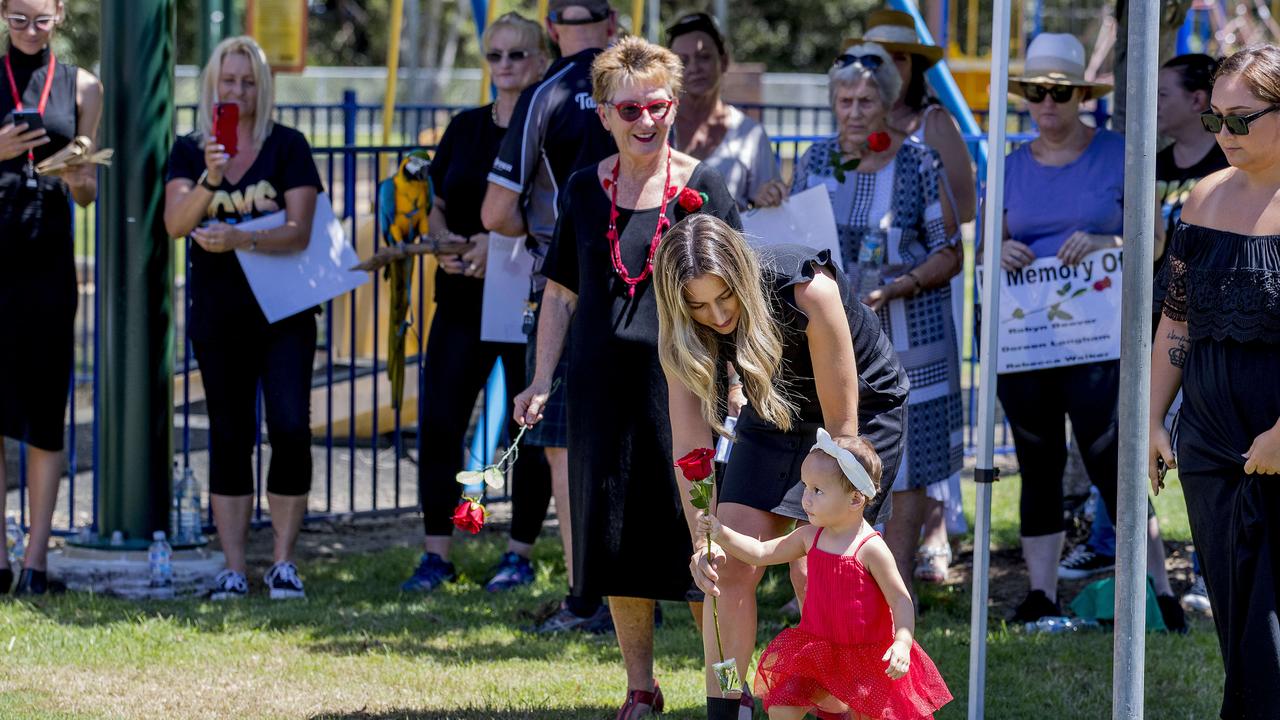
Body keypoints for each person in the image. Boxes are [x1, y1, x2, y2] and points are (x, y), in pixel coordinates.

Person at [512, 37, 741, 719]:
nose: (646, 120)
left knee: (705, 546)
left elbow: (739, 294)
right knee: (614, 546)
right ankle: (641, 686)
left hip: (688, 392)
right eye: (631, 108)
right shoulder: (586, 188)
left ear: (676, 107)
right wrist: (539, 380)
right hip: (600, 397)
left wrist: (735, 380)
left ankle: (726, 689)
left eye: (659, 106)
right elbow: (559, 292)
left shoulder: (708, 187)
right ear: (607, 115)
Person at [656, 214, 910, 719]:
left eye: (725, 297)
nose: (718, 315)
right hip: (773, 410)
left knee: (816, 568)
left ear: (741, 275)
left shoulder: (807, 290)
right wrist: (700, 542)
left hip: (856, 418)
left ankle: (837, 707)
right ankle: (728, 705)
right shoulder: (681, 329)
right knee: (724, 570)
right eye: (699, 306)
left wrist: (816, 528)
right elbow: (690, 450)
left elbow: (842, 428)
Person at [789, 42, 963, 596]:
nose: (855, 110)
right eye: (845, 99)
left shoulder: (918, 162)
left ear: (888, 102)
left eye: (867, 99)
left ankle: (898, 585)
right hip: (831, 335)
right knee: (830, 452)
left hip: (911, 331)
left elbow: (949, 250)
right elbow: (790, 243)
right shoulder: (816, 162)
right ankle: (829, 592)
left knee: (906, 463)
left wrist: (900, 285)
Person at [401, 13, 557, 595]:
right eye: (495, 56)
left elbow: (553, 212)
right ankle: (435, 554)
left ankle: (519, 553)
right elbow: (437, 200)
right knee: (440, 423)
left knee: (531, 429)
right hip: (461, 299)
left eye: (518, 55)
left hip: (527, 299)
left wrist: (499, 245)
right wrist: (443, 241)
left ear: (541, 61)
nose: (506, 66)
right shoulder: (464, 128)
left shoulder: (552, 127)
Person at [163, 36, 322, 600]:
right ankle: (232, 567)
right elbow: (176, 224)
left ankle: (282, 562)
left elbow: (300, 231)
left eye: (248, 81)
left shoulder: (289, 147)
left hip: (284, 316)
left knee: (289, 428)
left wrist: (238, 237)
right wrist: (211, 177)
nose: (238, 90)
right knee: (229, 437)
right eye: (228, 81)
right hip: (219, 315)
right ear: (213, 85)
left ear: (263, 86)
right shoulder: (190, 150)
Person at [1149, 45, 1280, 719]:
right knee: (1236, 618)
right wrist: (1151, 418)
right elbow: (1176, 323)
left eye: (1241, 120)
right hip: (1209, 445)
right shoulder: (1201, 200)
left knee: (1272, 627)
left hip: (1276, 438)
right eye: (1214, 121)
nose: (1223, 136)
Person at [482, 0, 618, 633]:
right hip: (650, 284)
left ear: (555, 31)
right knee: (659, 439)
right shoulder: (643, 84)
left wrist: (544, 232)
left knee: (565, 448)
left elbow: (494, 212)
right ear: (613, 25)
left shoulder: (549, 93)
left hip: (568, 287)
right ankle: (666, 587)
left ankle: (584, 595)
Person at [996, 33, 1126, 622]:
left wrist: (1106, 241)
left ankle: (1154, 590)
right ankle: (1041, 593)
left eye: (1060, 92)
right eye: (1036, 92)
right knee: (1038, 460)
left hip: (1099, 337)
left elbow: (1152, 241)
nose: (1047, 103)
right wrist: (999, 253)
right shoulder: (1008, 167)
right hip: (1028, 340)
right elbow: (987, 249)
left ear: (1082, 95)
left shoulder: (1120, 153)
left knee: (1111, 458)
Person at [696, 430, 951, 720]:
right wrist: (721, 533)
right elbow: (760, 552)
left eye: (817, 491)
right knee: (782, 708)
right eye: (805, 487)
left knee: (867, 714)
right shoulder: (808, 537)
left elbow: (900, 600)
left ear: (855, 499)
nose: (805, 499)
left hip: (865, 658)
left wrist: (902, 642)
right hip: (817, 652)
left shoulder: (871, 549)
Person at [852, 8, 977, 584]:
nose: (888, 69)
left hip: (920, 297)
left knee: (917, 428)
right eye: (878, 57)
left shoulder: (933, 126)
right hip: (860, 310)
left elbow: (960, 213)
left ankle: (930, 535)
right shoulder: (843, 139)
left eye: (899, 58)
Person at [0, 0, 102, 595]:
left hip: (46, 266)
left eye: (40, 20)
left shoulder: (86, 86)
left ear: (60, 14)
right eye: (18, 20)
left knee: (44, 416)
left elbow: (87, 192)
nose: (30, 32)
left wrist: (76, 176)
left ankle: (36, 563)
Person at [666, 12, 785, 210]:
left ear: (724, 61)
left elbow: (769, 213)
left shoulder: (750, 134)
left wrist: (766, 199)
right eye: (683, 61)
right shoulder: (655, 127)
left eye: (704, 57)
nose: (694, 67)